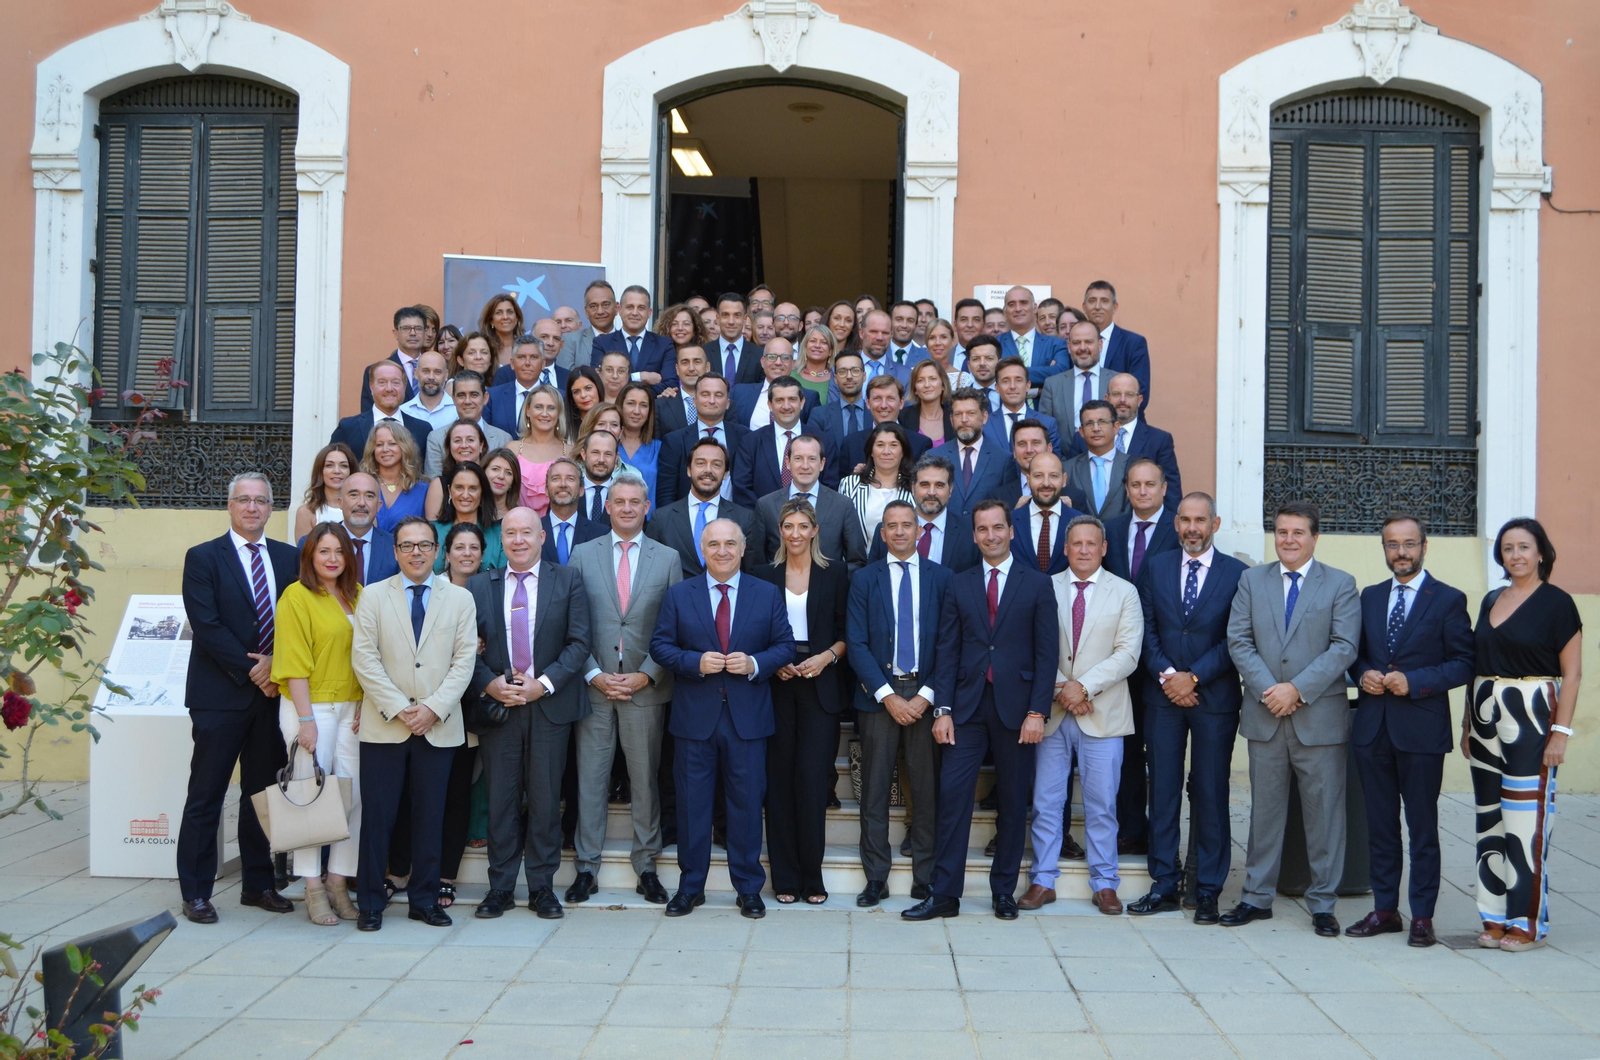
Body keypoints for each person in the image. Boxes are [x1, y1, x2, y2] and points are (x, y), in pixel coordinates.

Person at [903, 500, 1059, 922]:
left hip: (1017, 711)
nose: (990, 535)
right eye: (982, 529)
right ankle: (945, 894)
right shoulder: (959, 583)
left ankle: (1003, 891)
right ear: (973, 535)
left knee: (1011, 802)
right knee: (953, 799)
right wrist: (943, 710)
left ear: (1011, 530)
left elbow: (1047, 655)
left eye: (997, 527)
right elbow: (947, 649)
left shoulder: (1037, 584)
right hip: (966, 709)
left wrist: (1037, 713)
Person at [1223, 501, 1360, 936]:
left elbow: (1343, 647)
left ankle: (1323, 902)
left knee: (1324, 816)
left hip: (1318, 719)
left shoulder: (1340, 584)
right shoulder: (1251, 580)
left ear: (1315, 537)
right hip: (1266, 716)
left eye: (1298, 533)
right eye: (1282, 532)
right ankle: (1256, 897)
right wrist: (1272, 691)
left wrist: (1296, 690)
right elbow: (1239, 640)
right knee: (1263, 812)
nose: (1289, 540)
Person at [650, 518, 797, 918]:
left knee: (747, 806)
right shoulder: (680, 594)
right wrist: (694, 661)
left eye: (730, 543)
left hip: (748, 719)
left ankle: (748, 888)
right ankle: (690, 887)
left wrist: (753, 662)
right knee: (692, 806)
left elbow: (784, 646)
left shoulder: (766, 593)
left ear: (743, 548)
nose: (722, 551)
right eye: (713, 544)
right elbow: (660, 646)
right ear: (702, 549)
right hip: (694, 719)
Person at [176, 473, 300, 924]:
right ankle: (195, 891)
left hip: (271, 698)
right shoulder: (203, 557)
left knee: (261, 794)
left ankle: (258, 883)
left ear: (271, 509)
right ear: (230, 507)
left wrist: (277, 665)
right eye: (243, 500)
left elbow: (298, 620)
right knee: (206, 794)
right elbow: (206, 625)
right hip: (219, 696)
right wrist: (255, 668)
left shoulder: (289, 559)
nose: (252, 508)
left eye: (261, 501)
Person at [1344, 515, 1474, 948]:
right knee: (1380, 827)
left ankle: (1421, 915)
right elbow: (1353, 655)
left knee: (1422, 828)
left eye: (1409, 544)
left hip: (1420, 732)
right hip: (1372, 730)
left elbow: (1463, 663)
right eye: (1392, 545)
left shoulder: (1449, 600)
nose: (1400, 552)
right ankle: (1385, 910)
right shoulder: (1370, 596)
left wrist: (1415, 682)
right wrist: (1362, 674)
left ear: (1424, 547)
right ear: (1383, 549)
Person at [348, 517, 477, 931]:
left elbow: (464, 662)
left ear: (437, 550)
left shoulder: (459, 599)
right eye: (407, 545)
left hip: (437, 726)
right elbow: (364, 660)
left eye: (424, 545)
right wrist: (401, 707)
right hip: (385, 724)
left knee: (430, 816)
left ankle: (424, 900)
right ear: (396, 552)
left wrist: (432, 708)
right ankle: (370, 903)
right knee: (379, 817)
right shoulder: (371, 596)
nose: (416, 552)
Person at [1127, 493, 1247, 924]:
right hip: (1162, 697)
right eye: (1185, 520)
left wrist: (1192, 677)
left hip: (1214, 699)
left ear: (1214, 523)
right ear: (1176, 523)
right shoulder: (1155, 566)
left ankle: (1209, 889)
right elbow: (1144, 628)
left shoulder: (1237, 573)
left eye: (1201, 520)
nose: (1192, 528)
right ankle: (1164, 883)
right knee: (1161, 790)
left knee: (1211, 793)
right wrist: (1167, 675)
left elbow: (1237, 638)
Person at [468, 508, 593, 920]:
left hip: (549, 706)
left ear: (542, 537)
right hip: (500, 706)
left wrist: (545, 684)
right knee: (502, 800)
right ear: (499, 540)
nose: (518, 540)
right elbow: (466, 646)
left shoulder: (569, 579)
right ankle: (500, 888)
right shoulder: (478, 586)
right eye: (510, 533)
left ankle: (541, 887)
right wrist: (489, 683)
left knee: (543, 800)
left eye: (526, 532)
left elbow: (578, 643)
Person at [1466, 517, 1583, 951]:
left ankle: (1526, 921)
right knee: (1489, 820)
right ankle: (1493, 915)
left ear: (1541, 553)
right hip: (1484, 717)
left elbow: (1572, 676)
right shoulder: (1491, 599)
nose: (1515, 555)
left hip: (1532, 718)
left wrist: (1560, 734)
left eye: (1524, 547)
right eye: (1508, 548)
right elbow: (1477, 665)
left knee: (1525, 823)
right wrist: (1467, 725)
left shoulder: (1558, 603)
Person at [567, 472, 681, 905]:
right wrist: (593, 673)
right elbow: (572, 622)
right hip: (593, 687)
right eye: (620, 501)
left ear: (646, 507)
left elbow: (673, 626)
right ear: (607, 507)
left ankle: (646, 866)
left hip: (645, 689)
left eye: (636, 501)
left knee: (644, 780)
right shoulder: (582, 554)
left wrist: (648, 673)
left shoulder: (667, 557)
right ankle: (586, 868)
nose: (628, 508)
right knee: (590, 780)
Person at [1023, 515, 1143, 913]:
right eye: (1077, 544)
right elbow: (1034, 647)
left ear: (1104, 548)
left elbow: (1128, 653)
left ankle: (1105, 882)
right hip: (1054, 712)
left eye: (1092, 544)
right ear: (1066, 548)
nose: (1085, 550)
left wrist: (1084, 687)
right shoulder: (1045, 588)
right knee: (1046, 801)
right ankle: (1042, 880)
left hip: (1103, 714)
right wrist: (1063, 688)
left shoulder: (1125, 592)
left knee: (1102, 804)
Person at [849, 499, 952, 905]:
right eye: (890, 526)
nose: (898, 532)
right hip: (879, 698)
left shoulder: (942, 579)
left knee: (926, 792)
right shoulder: (864, 580)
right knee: (873, 792)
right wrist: (887, 694)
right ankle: (876, 877)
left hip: (925, 696)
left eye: (906, 524)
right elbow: (855, 643)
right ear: (882, 533)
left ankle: (924, 877)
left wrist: (926, 697)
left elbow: (950, 644)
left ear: (918, 530)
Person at [751, 499, 850, 904]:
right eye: (787, 526)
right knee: (778, 785)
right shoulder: (762, 575)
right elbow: (752, 632)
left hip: (820, 683)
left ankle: (813, 877)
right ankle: (785, 879)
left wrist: (826, 657)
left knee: (811, 783)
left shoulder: (836, 573)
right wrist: (775, 664)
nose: (794, 533)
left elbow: (848, 633)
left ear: (814, 531)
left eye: (802, 526)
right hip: (775, 685)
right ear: (780, 531)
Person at [272, 521, 364, 925]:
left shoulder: (358, 596)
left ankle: (338, 881)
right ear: (309, 556)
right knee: (312, 799)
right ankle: (311, 887)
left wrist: (365, 700)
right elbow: (292, 662)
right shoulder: (297, 596)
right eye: (323, 551)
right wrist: (306, 720)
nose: (332, 559)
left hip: (352, 710)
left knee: (354, 796)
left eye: (339, 552)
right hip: (311, 709)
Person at [1103, 457, 1179, 854]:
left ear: (1164, 488)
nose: (1143, 491)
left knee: (1162, 754)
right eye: (1135, 484)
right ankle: (1132, 828)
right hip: (1119, 662)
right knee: (1127, 750)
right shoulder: (1111, 530)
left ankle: (1164, 839)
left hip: (1164, 662)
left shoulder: (1180, 530)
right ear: (1127, 489)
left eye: (1150, 484)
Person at [438, 521, 488, 907]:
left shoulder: (490, 590)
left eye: (474, 547)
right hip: (428, 704)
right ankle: (403, 867)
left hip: (472, 708)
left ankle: (445, 876)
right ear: (448, 551)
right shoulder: (430, 587)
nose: (467, 553)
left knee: (458, 792)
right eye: (460, 547)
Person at [646, 439, 760, 578]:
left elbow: (751, 573)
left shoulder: (745, 519)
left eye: (716, 465)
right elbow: (651, 572)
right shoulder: (661, 518)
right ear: (689, 470)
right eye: (700, 463)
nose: (708, 470)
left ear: (725, 474)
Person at [754, 434, 866, 571]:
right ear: (788, 463)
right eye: (798, 459)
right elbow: (757, 564)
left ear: (822, 464)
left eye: (812, 459)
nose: (805, 466)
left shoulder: (842, 505)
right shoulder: (766, 505)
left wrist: (835, 582)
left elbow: (857, 562)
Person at [867, 454, 981, 572]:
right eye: (924, 485)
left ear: (950, 490)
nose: (931, 492)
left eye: (939, 485)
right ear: (913, 488)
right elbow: (872, 577)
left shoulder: (969, 532)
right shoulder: (887, 530)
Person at [733, 377, 832, 507]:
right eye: (779, 400)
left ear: (802, 403)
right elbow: (742, 489)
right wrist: (767, 518)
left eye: (792, 399)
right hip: (763, 523)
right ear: (770, 405)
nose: (786, 406)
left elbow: (830, 486)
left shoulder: (824, 441)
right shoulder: (750, 442)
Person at [655, 374, 748, 507]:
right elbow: (666, 493)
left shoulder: (744, 437)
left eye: (718, 395)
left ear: (727, 403)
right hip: (687, 521)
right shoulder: (674, 441)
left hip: (734, 520)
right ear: (694, 401)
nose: (711, 400)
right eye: (705, 394)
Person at [1093, 374, 1180, 508]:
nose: (1123, 400)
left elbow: (1171, 493)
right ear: (1106, 399)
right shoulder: (1086, 438)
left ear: (1139, 400)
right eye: (1116, 394)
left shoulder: (1159, 440)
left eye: (1129, 394)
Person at [926, 389, 1003, 518]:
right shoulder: (933, 456)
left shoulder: (1002, 460)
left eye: (971, 413)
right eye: (958, 414)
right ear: (951, 419)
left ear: (984, 417)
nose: (964, 420)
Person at [332, 360, 432, 458]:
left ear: (404, 387)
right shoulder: (348, 428)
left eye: (395, 382)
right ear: (371, 387)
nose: (389, 389)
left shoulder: (422, 430)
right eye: (382, 382)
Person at [424, 372, 512, 479]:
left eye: (474, 395)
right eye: (461, 395)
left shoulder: (503, 439)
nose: (467, 401)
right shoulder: (436, 438)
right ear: (453, 399)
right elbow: (433, 483)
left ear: (485, 398)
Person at [838, 422, 915, 541]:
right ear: (871, 451)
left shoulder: (915, 487)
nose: (886, 451)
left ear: (903, 451)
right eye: (880, 445)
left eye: (893, 445)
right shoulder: (849, 485)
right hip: (862, 558)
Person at [838, 376, 934, 472]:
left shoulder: (921, 444)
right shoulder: (850, 444)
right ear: (868, 403)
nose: (883, 405)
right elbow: (841, 484)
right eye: (877, 399)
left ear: (901, 403)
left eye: (890, 399)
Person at [1010, 453, 1084, 576]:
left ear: (1064, 480)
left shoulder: (1081, 522)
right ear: (1028, 480)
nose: (1046, 483)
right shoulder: (1009, 522)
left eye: (1053, 476)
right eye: (1038, 476)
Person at [1083, 280, 1152, 408]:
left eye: (1104, 301)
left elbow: (1140, 392)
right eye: (1092, 301)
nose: (1097, 306)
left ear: (1115, 307)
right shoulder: (1075, 344)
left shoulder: (1133, 343)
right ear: (1084, 307)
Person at [593, 284, 675, 389]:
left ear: (649, 312)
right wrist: (640, 376)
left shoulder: (664, 344)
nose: (635, 313)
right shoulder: (602, 343)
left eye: (641, 308)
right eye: (630, 307)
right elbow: (597, 380)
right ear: (619, 309)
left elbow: (670, 385)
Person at [431, 461, 505, 572]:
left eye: (473, 488)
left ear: (482, 492)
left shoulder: (499, 534)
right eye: (459, 487)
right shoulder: (432, 532)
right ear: (449, 491)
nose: (465, 495)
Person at [1037, 319, 1112, 428]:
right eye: (1076, 342)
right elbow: (1045, 429)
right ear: (1069, 346)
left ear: (1100, 345)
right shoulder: (1052, 385)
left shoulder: (1115, 381)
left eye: (1088, 342)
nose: (1082, 348)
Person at [506, 384, 568, 515]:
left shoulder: (570, 452)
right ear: (528, 410)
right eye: (538, 407)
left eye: (551, 408)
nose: (544, 414)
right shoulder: (513, 449)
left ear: (558, 413)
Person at [732, 338, 818, 429]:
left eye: (785, 357)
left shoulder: (809, 398)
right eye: (772, 357)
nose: (778, 362)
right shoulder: (739, 393)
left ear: (793, 364)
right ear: (762, 361)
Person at [984, 356, 1062, 454]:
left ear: (1028, 386)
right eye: (1006, 381)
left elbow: (1054, 463)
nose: (1012, 386)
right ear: (997, 388)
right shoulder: (984, 425)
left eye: (1018, 380)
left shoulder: (1048, 423)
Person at [1064, 400, 1128, 520]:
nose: (1096, 428)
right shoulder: (1067, 469)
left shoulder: (1132, 466)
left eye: (1102, 422)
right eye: (1089, 424)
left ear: (1116, 427)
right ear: (1081, 431)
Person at [362, 422, 430, 534]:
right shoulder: (364, 484)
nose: (385, 449)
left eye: (392, 443)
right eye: (379, 445)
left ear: (404, 447)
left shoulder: (423, 490)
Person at [541, 456, 609, 565]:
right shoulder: (532, 531)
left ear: (581, 490)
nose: (563, 484)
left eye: (570, 479)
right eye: (556, 478)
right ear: (546, 490)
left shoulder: (601, 535)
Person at [335, 472, 399, 585]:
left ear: (379, 506)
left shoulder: (395, 547)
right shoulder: (315, 543)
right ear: (340, 502)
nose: (361, 503)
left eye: (369, 496)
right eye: (354, 495)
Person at [485, 334, 553, 438]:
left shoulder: (558, 397)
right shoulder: (492, 397)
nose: (527, 363)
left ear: (543, 363)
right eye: (521, 357)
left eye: (534, 357)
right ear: (512, 363)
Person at [358, 306, 425, 412]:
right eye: (406, 328)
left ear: (425, 333)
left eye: (418, 328)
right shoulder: (375, 371)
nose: (413, 333)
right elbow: (368, 415)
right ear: (395, 333)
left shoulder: (436, 369)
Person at [996, 286, 1067, 384]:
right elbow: (990, 375)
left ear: (1035, 308)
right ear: (1005, 312)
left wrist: (1007, 372)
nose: (1018, 309)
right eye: (1012, 304)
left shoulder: (1056, 344)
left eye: (1023, 303)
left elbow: (1061, 373)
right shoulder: (994, 344)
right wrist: (1047, 371)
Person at [423, 420, 488, 521]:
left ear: (481, 445)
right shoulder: (439, 485)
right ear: (449, 447)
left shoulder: (491, 480)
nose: (464, 445)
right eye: (457, 440)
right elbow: (432, 529)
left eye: (470, 440)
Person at [805, 350, 869, 452]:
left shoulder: (875, 413)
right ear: (835, 379)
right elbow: (812, 452)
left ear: (864, 376)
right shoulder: (820, 415)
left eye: (855, 371)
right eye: (842, 372)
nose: (849, 376)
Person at [293, 442, 356, 541]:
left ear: (351, 471)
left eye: (343, 466)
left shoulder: (363, 510)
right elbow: (305, 553)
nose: (337, 471)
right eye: (329, 465)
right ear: (320, 471)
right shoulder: (307, 513)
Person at [989, 420, 1054, 512]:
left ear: (1049, 449)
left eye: (1036, 443)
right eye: (1022, 444)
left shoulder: (1072, 497)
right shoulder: (997, 497)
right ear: (1014, 452)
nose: (1029, 450)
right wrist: (1015, 514)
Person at [557, 279, 618, 371]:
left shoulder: (627, 341)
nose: (600, 311)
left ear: (616, 308)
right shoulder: (570, 341)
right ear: (586, 311)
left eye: (606, 305)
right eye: (593, 306)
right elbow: (565, 379)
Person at [616, 381, 662, 502]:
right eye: (631, 403)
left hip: (650, 519)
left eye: (643, 405)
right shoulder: (609, 447)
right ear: (620, 406)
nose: (637, 411)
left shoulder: (659, 448)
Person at [708, 291, 763, 384]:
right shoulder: (704, 352)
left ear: (745, 319)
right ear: (717, 318)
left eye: (737, 315)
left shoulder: (759, 355)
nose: (731, 321)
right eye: (725, 315)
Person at [655, 344, 708, 436]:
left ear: (707, 367)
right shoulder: (660, 406)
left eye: (697, 362)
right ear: (677, 369)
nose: (691, 368)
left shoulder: (722, 404)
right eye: (685, 362)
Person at [398, 351, 456, 432]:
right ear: (416, 373)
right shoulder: (403, 412)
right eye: (426, 371)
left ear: (446, 375)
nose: (431, 377)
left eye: (437, 372)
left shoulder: (457, 411)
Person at [899, 360, 953, 447]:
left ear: (943, 385)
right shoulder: (903, 416)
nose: (927, 385)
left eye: (933, 379)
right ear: (915, 388)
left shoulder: (954, 416)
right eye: (920, 380)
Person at [925, 319, 974, 391]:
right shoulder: (913, 374)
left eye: (943, 337)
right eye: (932, 338)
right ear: (927, 343)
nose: (937, 343)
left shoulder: (964, 379)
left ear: (952, 341)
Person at [479, 292, 524, 369]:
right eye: (499, 313)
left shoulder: (526, 347)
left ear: (517, 318)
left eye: (510, 312)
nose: (505, 317)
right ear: (491, 321)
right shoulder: (484, 349)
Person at [563, 366, 605, 443]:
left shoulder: (611, 418)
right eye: (576, 392)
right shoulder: (565, 426)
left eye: (588, 388)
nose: (583, 395)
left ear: (598, 388)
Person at [482, 449, 523, 522]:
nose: (501, 476)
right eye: (495, 469)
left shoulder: (520, 517)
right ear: (483, 472)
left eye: (508, 473)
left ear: (513, 482)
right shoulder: (470, 511)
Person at [886, 300, 930, 367]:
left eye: (910, 321)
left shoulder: (927, 357)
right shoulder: (879, 353)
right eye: (899, 319)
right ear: (890, 322)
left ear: (916, 325)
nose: (904, 325)